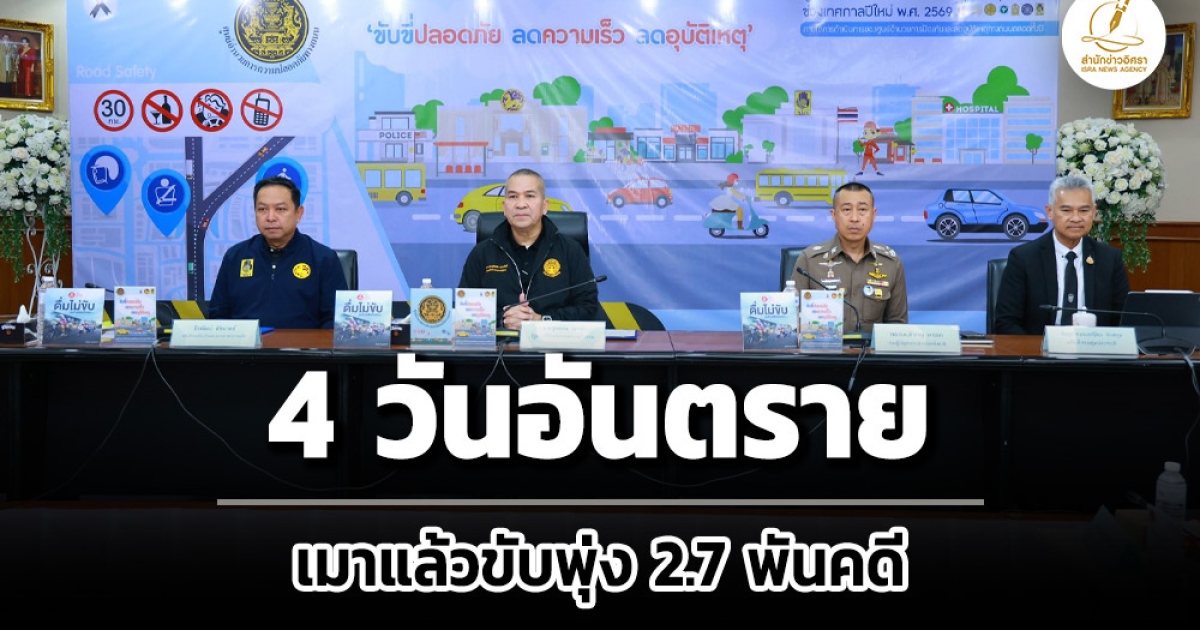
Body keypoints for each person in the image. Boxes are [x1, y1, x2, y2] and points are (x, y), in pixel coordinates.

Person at [458, 168, 600, 330]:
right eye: (513, 197)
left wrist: (542, 320)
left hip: (554, 343)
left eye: (530, 196)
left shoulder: (570, 250)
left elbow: (588, 308)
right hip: (500, 344)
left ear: (544, 206)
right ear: (504, 207)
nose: (520, 205)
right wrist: (502, 320)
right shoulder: (482, 253)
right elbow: (465, 312)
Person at [994, 175, 1130, 334]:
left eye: (1084, 210)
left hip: (1094, 346)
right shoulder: (1024, 258)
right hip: (1040, 347)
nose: (1076, 218)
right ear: (1050, 212)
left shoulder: (1109, 259)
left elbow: (1124, 319)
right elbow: (1006, 322)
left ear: (1094, 212)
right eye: (1066, 210)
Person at [208, 176, 347, 328]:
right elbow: (218, 314)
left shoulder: (323, 259)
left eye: (280, 209)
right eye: (262, 209)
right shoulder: (235, 256)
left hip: (303, 343)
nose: (270, 217)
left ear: (299, 213)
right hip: (247, 343)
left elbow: (335, 321)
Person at [792, 181, 907, 331]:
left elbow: (897, 326)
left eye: (862, 210)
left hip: (872, 347)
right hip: (822, 345)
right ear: (834, 215)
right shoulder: (809, 261)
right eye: (846, 209)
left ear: (873, 215)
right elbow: (793, 322)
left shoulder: (890, 263)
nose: (854, 218)